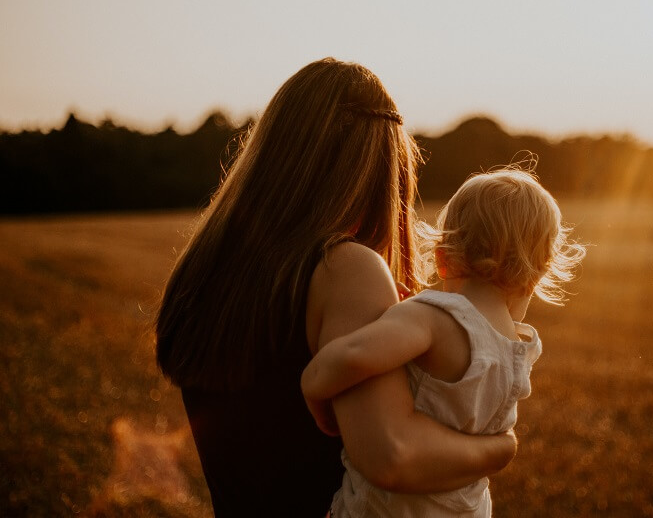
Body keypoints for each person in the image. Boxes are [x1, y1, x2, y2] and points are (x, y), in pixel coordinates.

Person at [155, 58, 517, 517]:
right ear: (382, 171)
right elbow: (393, 455)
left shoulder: (206, 270)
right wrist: (499, 448)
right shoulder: (345, 269)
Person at [302, 167, 586, 517]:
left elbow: (356, 354)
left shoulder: (433, 318)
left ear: (442, 258)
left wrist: (313, 385)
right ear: (536, 276)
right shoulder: (519, 350)